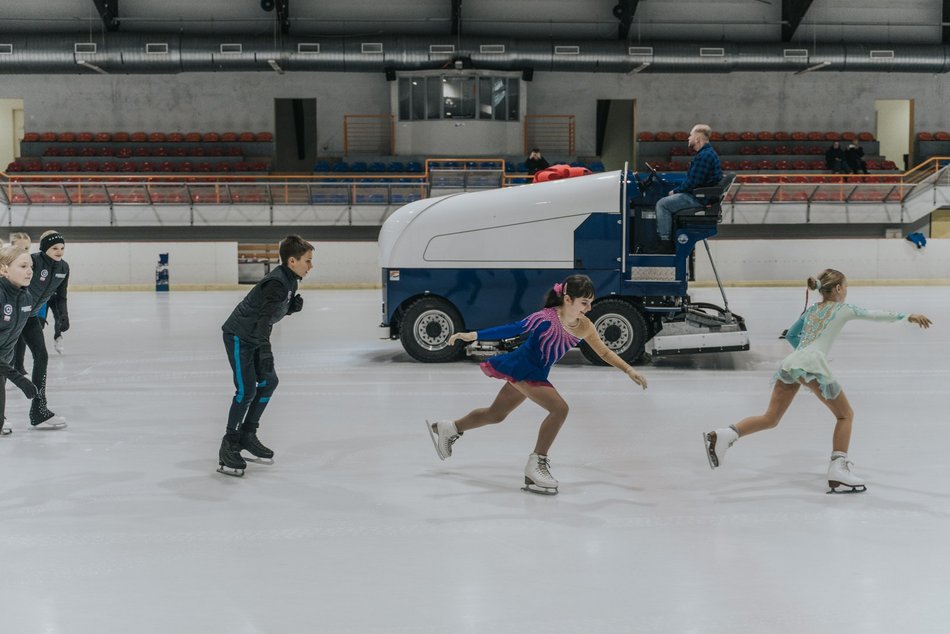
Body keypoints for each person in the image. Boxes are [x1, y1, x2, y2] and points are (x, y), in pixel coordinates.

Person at [702, 269, 932, 493]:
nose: (847, 291)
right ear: (839, 288)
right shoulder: (844, 309)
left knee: (770, 418)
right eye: (847, 287)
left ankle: (724, 435)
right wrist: (907, 316)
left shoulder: (812, 310)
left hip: (791, 362)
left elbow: (791, 335)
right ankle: (838, 471)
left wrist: (803, 355)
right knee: (845, 415)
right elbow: (874, 314)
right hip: (810, 364)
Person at [426, 274, 648, 495]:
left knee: (495, 414)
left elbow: (604, 352)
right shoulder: (545, 318)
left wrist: (628, 369)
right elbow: (513, 328)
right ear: (568, 299)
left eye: (590, 303)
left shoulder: (585, 326)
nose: (589, 308)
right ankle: (536, 464)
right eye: (584, 303)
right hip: (523, 368)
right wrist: (472, 335)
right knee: (560, 409)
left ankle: (450, 427)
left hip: (536, 373)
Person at [217, 235, 313, 477]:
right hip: (239, 336)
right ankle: (229, 444)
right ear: (292, 261)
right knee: (245, 390)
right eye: (307, 261)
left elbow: (269, 311)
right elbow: (261, 321)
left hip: (254, 336)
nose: (310, 266)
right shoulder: (278, 283)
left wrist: (289, 309)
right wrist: (266, 352)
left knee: (269, 382)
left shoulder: (291, 280)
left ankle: (248, 434)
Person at [18, 230, 70, 429]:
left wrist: (63, 316)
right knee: (4, 363)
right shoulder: (32, 261)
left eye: (62, 248)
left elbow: (61, 295)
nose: (59, 251)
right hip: (14, 316)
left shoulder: (64, 267)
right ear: (44, 248)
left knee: (42, 357)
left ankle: (39, 410)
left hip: (31, 318)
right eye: (54, 248)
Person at [654, 124, 722, 249]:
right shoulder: (707, 153)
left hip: (699, 198)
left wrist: (675, 191)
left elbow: (693, 183)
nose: (688, 138)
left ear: (697, 139)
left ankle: (665, 243)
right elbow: (693, 180)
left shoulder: (704, 156)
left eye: (690, 136)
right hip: (700, 195)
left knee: (662, 204)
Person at [0, 245, 40, 436]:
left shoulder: (25, 297)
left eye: (31, 266)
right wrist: (19, 378)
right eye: (23, 266)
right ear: (3, 269)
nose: (30, 271)